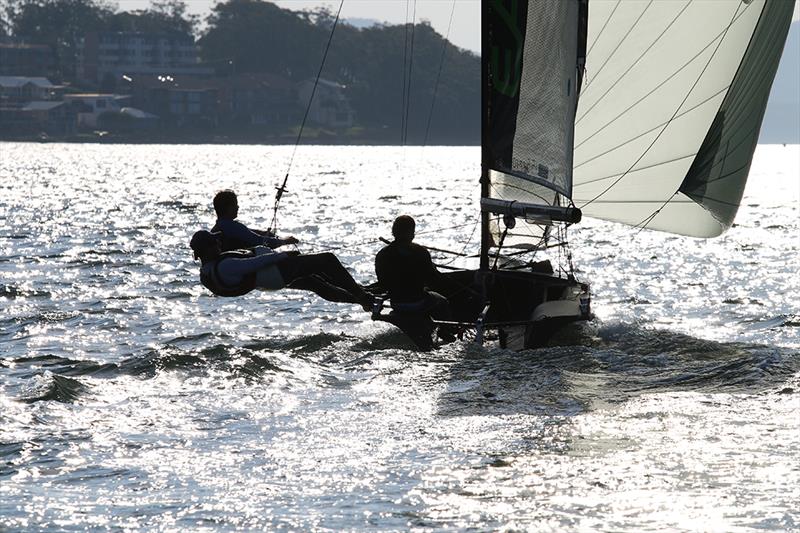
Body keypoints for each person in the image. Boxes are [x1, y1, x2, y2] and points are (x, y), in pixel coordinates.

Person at [190, 230, 374, 310]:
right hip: (276, 271)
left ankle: (362, 299)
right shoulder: (225, 266)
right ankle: (362, 295)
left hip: (272, 280)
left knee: (315, 283)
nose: (219, 242)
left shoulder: (207, 271)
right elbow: (256, 264)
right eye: (215, 241)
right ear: (207, 249)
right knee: (327, 260)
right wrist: (284, 255)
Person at [374, 215, 452, 321]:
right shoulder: (421, 252)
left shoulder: (382, 254)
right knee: (442, 301)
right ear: (412, 234)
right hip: (418, 302)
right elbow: (433, 280)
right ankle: (446, 332)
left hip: (396, 303)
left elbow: (383, 283)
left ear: (393, 232)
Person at [211, 189, 298, 252]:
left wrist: (265, 233)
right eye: (235, 205)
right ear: (228, 208)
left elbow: (249, 233)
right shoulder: (233, 227)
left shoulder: (217, 228)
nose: (238, 207)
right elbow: (260, 242)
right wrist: (285, 241)